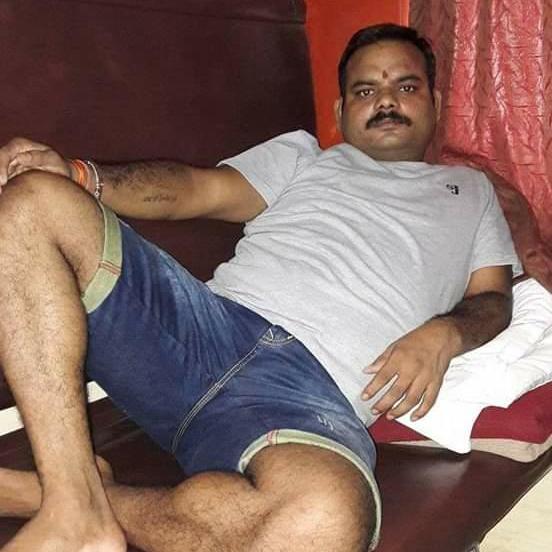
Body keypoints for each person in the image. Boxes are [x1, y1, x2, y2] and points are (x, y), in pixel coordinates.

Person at [0, 23, 517, 552]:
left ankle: (68, 498)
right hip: (198, 330)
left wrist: (444, 334)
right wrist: (78, 175)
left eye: (405, 86)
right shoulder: (306, 156)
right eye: (366, 90)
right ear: (341, 112)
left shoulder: (472, 193)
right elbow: (192, 190)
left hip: (311, 397)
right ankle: (71, 503)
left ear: (434, 103)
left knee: (322, 521)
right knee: (33, 200)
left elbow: (494, 298)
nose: (385, 101)